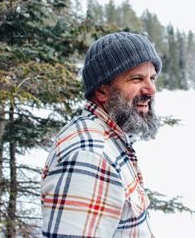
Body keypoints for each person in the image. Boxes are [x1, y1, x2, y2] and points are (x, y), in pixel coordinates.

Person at [41, 31, 162, 237]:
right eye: (136, 79)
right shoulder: (89, 156)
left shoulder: (109, 137)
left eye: (152, 78)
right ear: (102, 91)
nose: (151, 90)